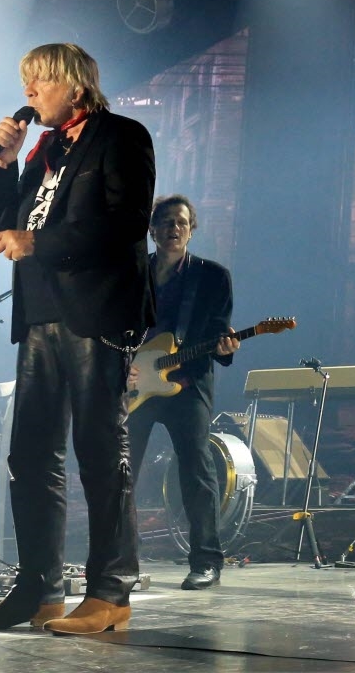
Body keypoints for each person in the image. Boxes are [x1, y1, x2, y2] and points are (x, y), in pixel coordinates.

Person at [0, 43, 154, 636]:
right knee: (31, 456)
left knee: (99, 450)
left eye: (39, 80)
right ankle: (39, 592)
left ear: (74, 85)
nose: (29, 92)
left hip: (97, 311)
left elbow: (127, 222)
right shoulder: (45, 149)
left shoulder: (120, 136)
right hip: (40, 314)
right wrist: (6, 166)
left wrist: (39, 242)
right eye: (26, 81)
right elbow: (8, 230)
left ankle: (111, 592)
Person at [125, 194, 240, 591]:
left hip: (187, 385)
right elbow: (113, 326)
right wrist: (123, 365)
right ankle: (120, 559)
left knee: (197, 470)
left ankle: (206, 562)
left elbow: (219, 331)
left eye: (181, 222)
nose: (174, 228)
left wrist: (225, 346)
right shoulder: (132, 273)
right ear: (152, 229)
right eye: (166, 222)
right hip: (135, 385)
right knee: (120, 471)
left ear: (192, 230)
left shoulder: (212, 276)